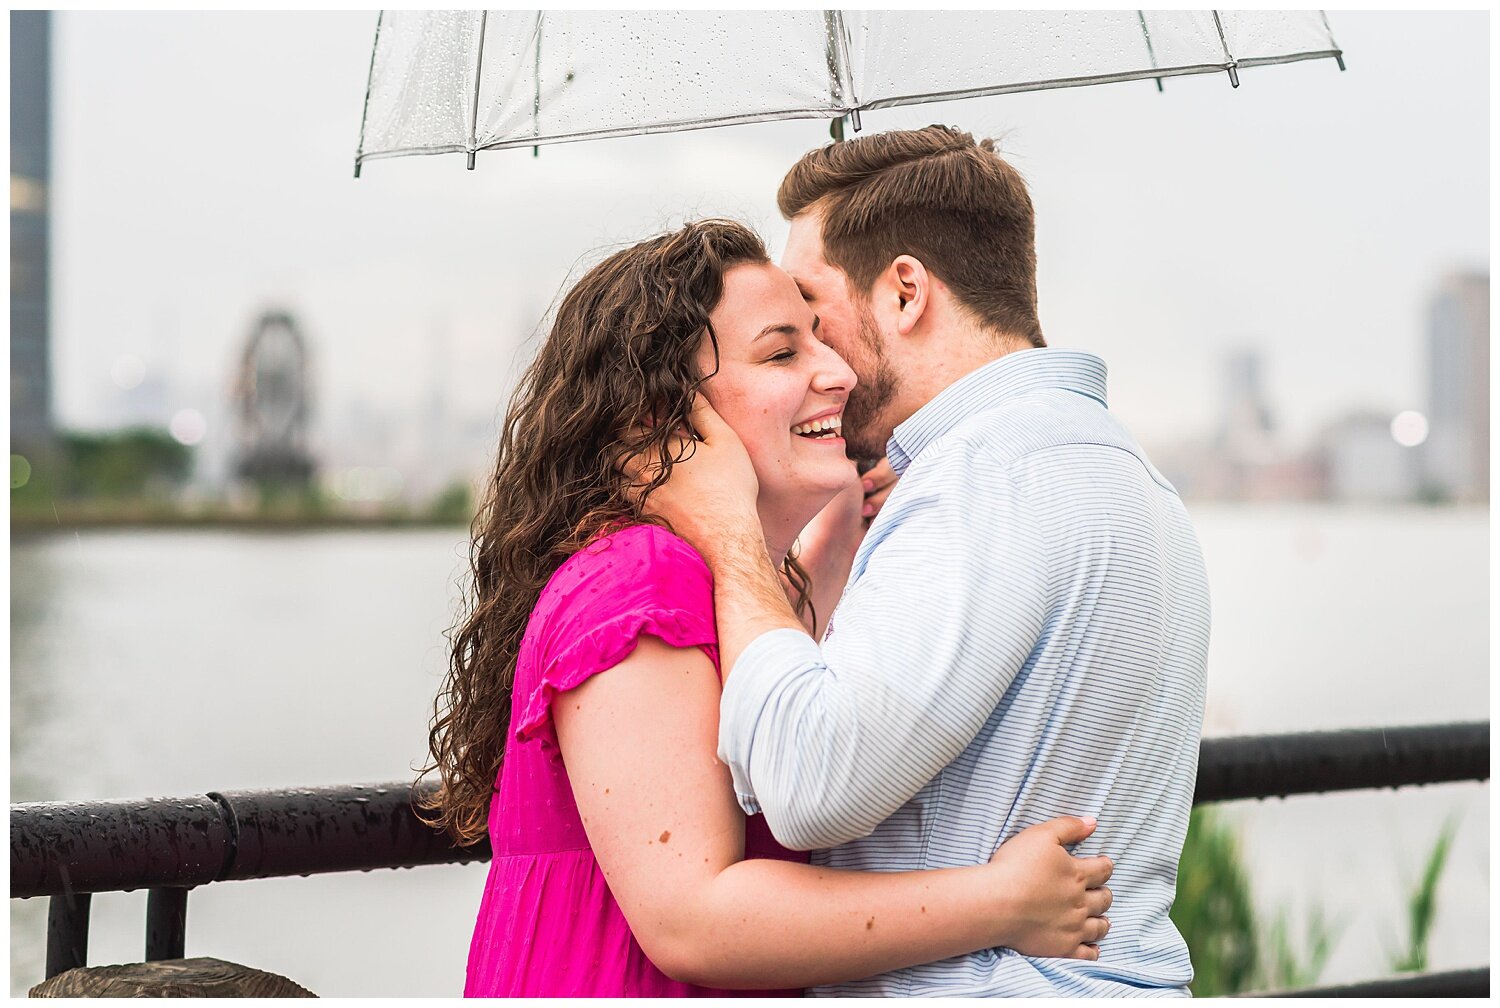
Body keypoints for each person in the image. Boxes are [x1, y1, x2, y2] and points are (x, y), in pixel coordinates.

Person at [421, 218, 1114, 997]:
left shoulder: (725, 579)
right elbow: (696, 918)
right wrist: (999, 903)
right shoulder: (638, 579)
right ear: (663, 417)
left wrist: (847, 509)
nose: (840, 373)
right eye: (784, 352)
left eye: (822, 339)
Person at [641, 126, 1212, 996]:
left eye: (814, 311)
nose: (820, 359)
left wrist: (724, 535)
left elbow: (809, 782)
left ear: (906, 290)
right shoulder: (1117, 469)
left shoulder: (988, 480)